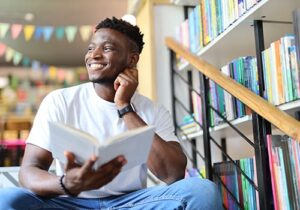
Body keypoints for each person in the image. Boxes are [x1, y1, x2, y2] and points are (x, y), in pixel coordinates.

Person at [0, 17, 222, 210]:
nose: (93, 55)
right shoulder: (60, 101)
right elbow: (29, 171)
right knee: (6, 198)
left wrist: (125, 106)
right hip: (69, 202)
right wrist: (66, 183)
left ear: (132, 59)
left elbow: (172, 174)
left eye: (106, 48)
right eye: (90, 48)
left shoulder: (152, 110)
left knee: (202, 190)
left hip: (132, 203)